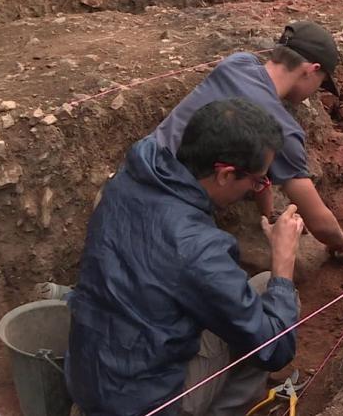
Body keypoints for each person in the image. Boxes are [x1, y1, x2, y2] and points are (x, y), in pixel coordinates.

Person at [65, 98, 303, 416]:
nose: (257, 189)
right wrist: (284, 263)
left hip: (90, 378)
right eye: (257, 181)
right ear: (225, 174)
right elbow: (274, 349)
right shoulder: (198, 247)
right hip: (147, 404)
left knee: (233, 304)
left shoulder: (129, 180)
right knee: (267, 290)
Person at [153, 20, 343, 258]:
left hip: (140, 168)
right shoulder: (282, 130)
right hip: (169, 217)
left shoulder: (237, 62)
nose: (317, 89)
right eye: (321, 82)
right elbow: (319, 222)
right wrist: (342, 243)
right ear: (311, 70)